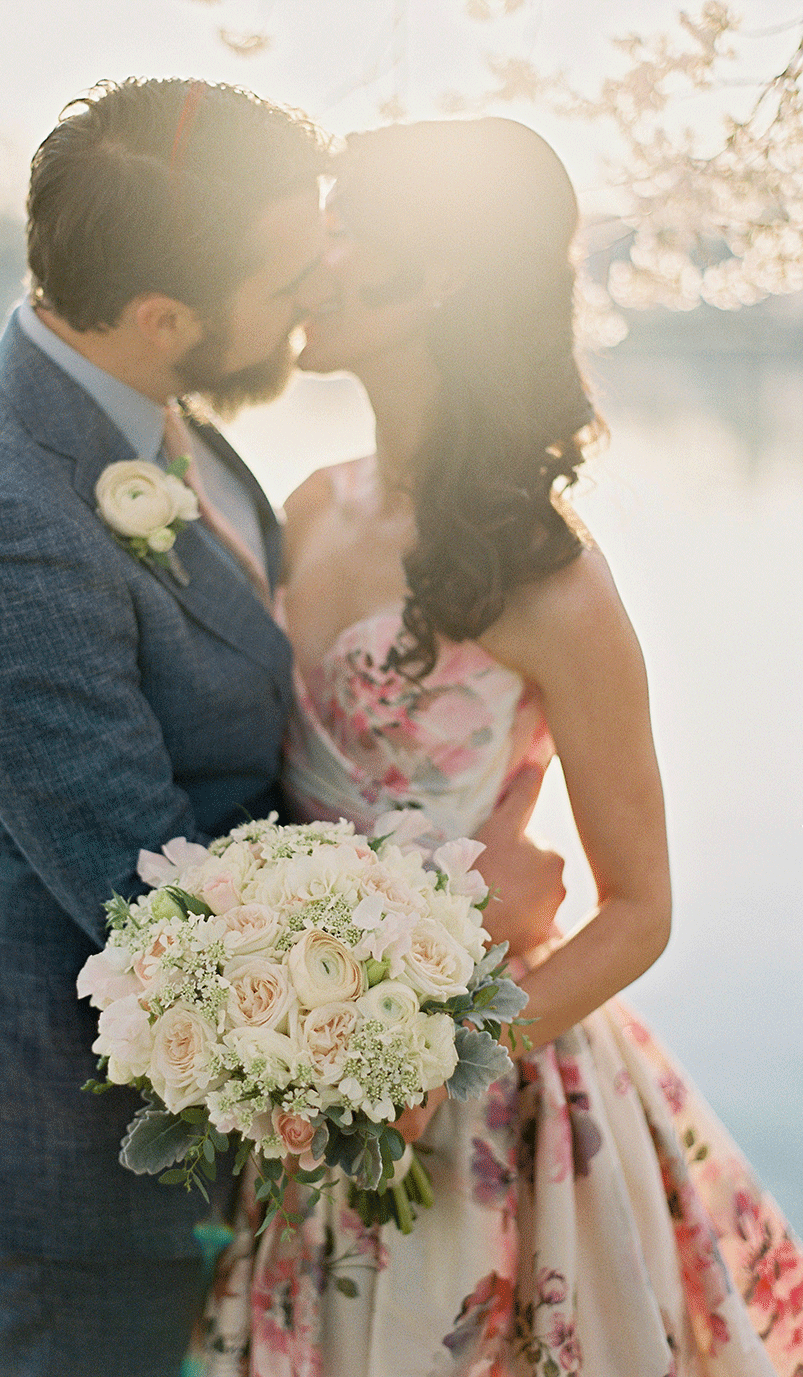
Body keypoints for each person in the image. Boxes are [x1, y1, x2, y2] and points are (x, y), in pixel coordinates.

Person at [0, 84, 564, 1377]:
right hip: (96, 1165)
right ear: (164, 317)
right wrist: (466, 913)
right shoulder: (0, 526)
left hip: (256, 1127)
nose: (320, 277)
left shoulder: (139, 406)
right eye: (287, 269)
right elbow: (164, 901)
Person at [195, 118, 802, 1376]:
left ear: (439, 279)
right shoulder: (307, 502)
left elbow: (640, 909)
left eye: (347, 226)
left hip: (472, 1091)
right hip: (301, 1073)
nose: (315, 256)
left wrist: (439, 1053)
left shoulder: (556, 584)